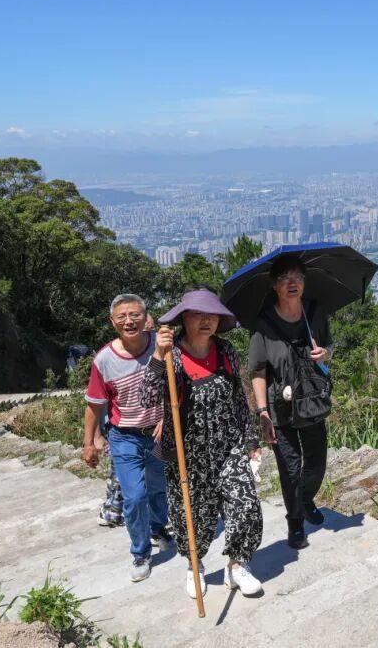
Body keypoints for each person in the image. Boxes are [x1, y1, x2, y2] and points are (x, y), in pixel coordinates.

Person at [142, 288, 265, 598]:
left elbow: (239, 397)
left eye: (211, 316)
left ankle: (237, 565)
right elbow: (147, 398)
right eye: (198, 315)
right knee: (192, 516)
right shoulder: (172, 356)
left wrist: (251, 440)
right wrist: (158, 356)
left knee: (245, 505)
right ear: (185, 318)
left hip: (228, 448)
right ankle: (194, 566)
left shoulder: (224, 352)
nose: (206, 321)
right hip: (189, 453)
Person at [83, 294, 171, 582]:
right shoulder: (104, 360)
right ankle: (140, 552)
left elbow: (179, 386)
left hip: (159, 435)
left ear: (146, 318)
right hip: (125, 437)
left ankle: (158, 528)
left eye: (134, 315)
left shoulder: (162, 345)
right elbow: (94, 404)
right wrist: (89, 442)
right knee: (135, 496)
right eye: (122, 317)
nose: (128, 321)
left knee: (158, 488)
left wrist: (167, 417)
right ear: (113, 322)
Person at [247, 256, 333, 550]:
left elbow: (328, 346)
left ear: (305, 282)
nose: (292, 283)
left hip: (311, 400)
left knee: (317, 463)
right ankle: (295, 521)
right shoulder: (263, 324)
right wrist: (262, 412)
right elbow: (257, 370)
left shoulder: (315, 312)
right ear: (274, 286)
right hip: (279, 407)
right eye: (285, 278)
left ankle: (306, 499)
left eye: (297, 277)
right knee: (290, 467)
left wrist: (325, 354)